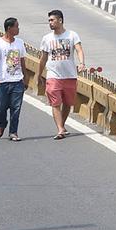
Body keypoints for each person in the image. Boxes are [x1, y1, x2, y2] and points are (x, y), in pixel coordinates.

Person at [38, 9, 85, 140]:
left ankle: (62, 126)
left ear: (60, 20)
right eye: (49, 21)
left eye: (52, 20)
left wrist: (82, 63)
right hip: (53, 75)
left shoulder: (72, 35)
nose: (50, 23)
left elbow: (79, 50)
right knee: (55, 103)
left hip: (70, 75)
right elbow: (43, 58)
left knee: (68, 103)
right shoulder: (47, 38)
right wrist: (39, 74)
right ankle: (60, 129)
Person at [0, 17, 26, 142]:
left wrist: (24, 77)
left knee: (16, 108)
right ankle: (2, 124)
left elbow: (22, 60)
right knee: (1, 107)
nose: (18, 28)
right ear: (9, 28)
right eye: (16, 26)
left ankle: (13, 132)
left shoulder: (20, 43)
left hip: (17, 81)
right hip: (3, 81)